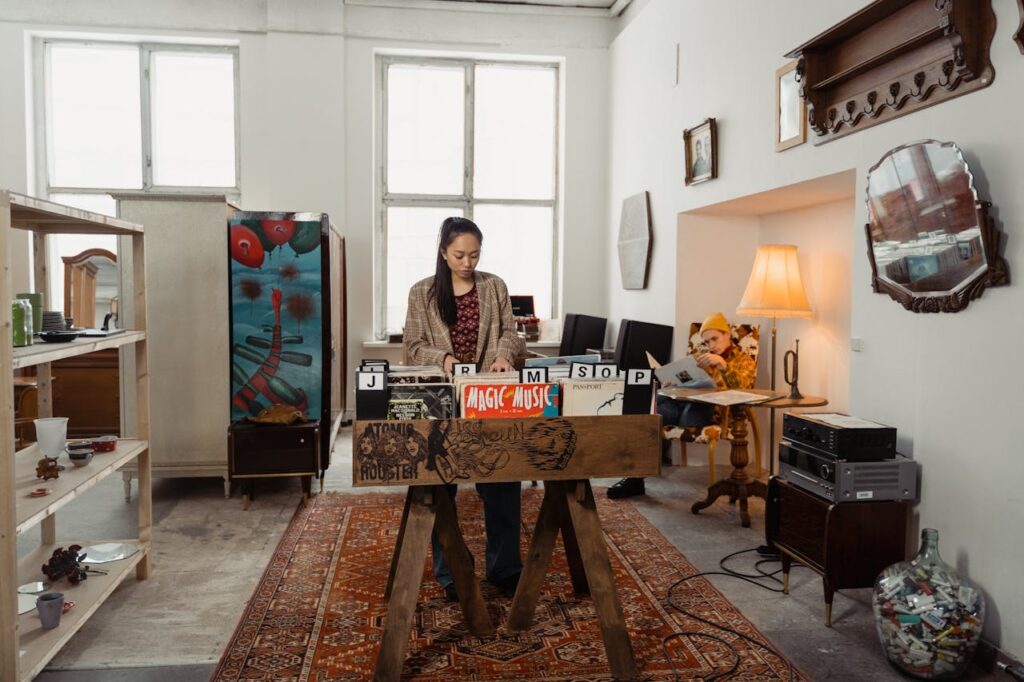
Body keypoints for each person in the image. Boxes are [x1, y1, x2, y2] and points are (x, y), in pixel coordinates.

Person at [403, 216, 526, 600]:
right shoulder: (421, 293)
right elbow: (412, 346)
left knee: (503, 481)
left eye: (474, 255)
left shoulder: (494, 287)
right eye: (459, 255)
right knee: (443, 485)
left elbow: (511, 333)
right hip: (443, 398)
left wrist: (505, 355)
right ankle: (451, 572)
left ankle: (505, 569)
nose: (468, 263)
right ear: (443, 252)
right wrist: (444, 359)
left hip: (490, 396)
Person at [607, 311, 756, 499]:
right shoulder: (702, 358)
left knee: (672, 414)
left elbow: (743, 391)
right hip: (684, 403)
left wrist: (723, 366)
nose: (711, 346)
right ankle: (634, 479)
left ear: (727, 334)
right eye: (707, 342)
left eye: (715, 339)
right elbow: (687, 380)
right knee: (650, 411)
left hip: (710, 411)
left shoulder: (744, 360)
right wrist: (672, 384)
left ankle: (634, 474)